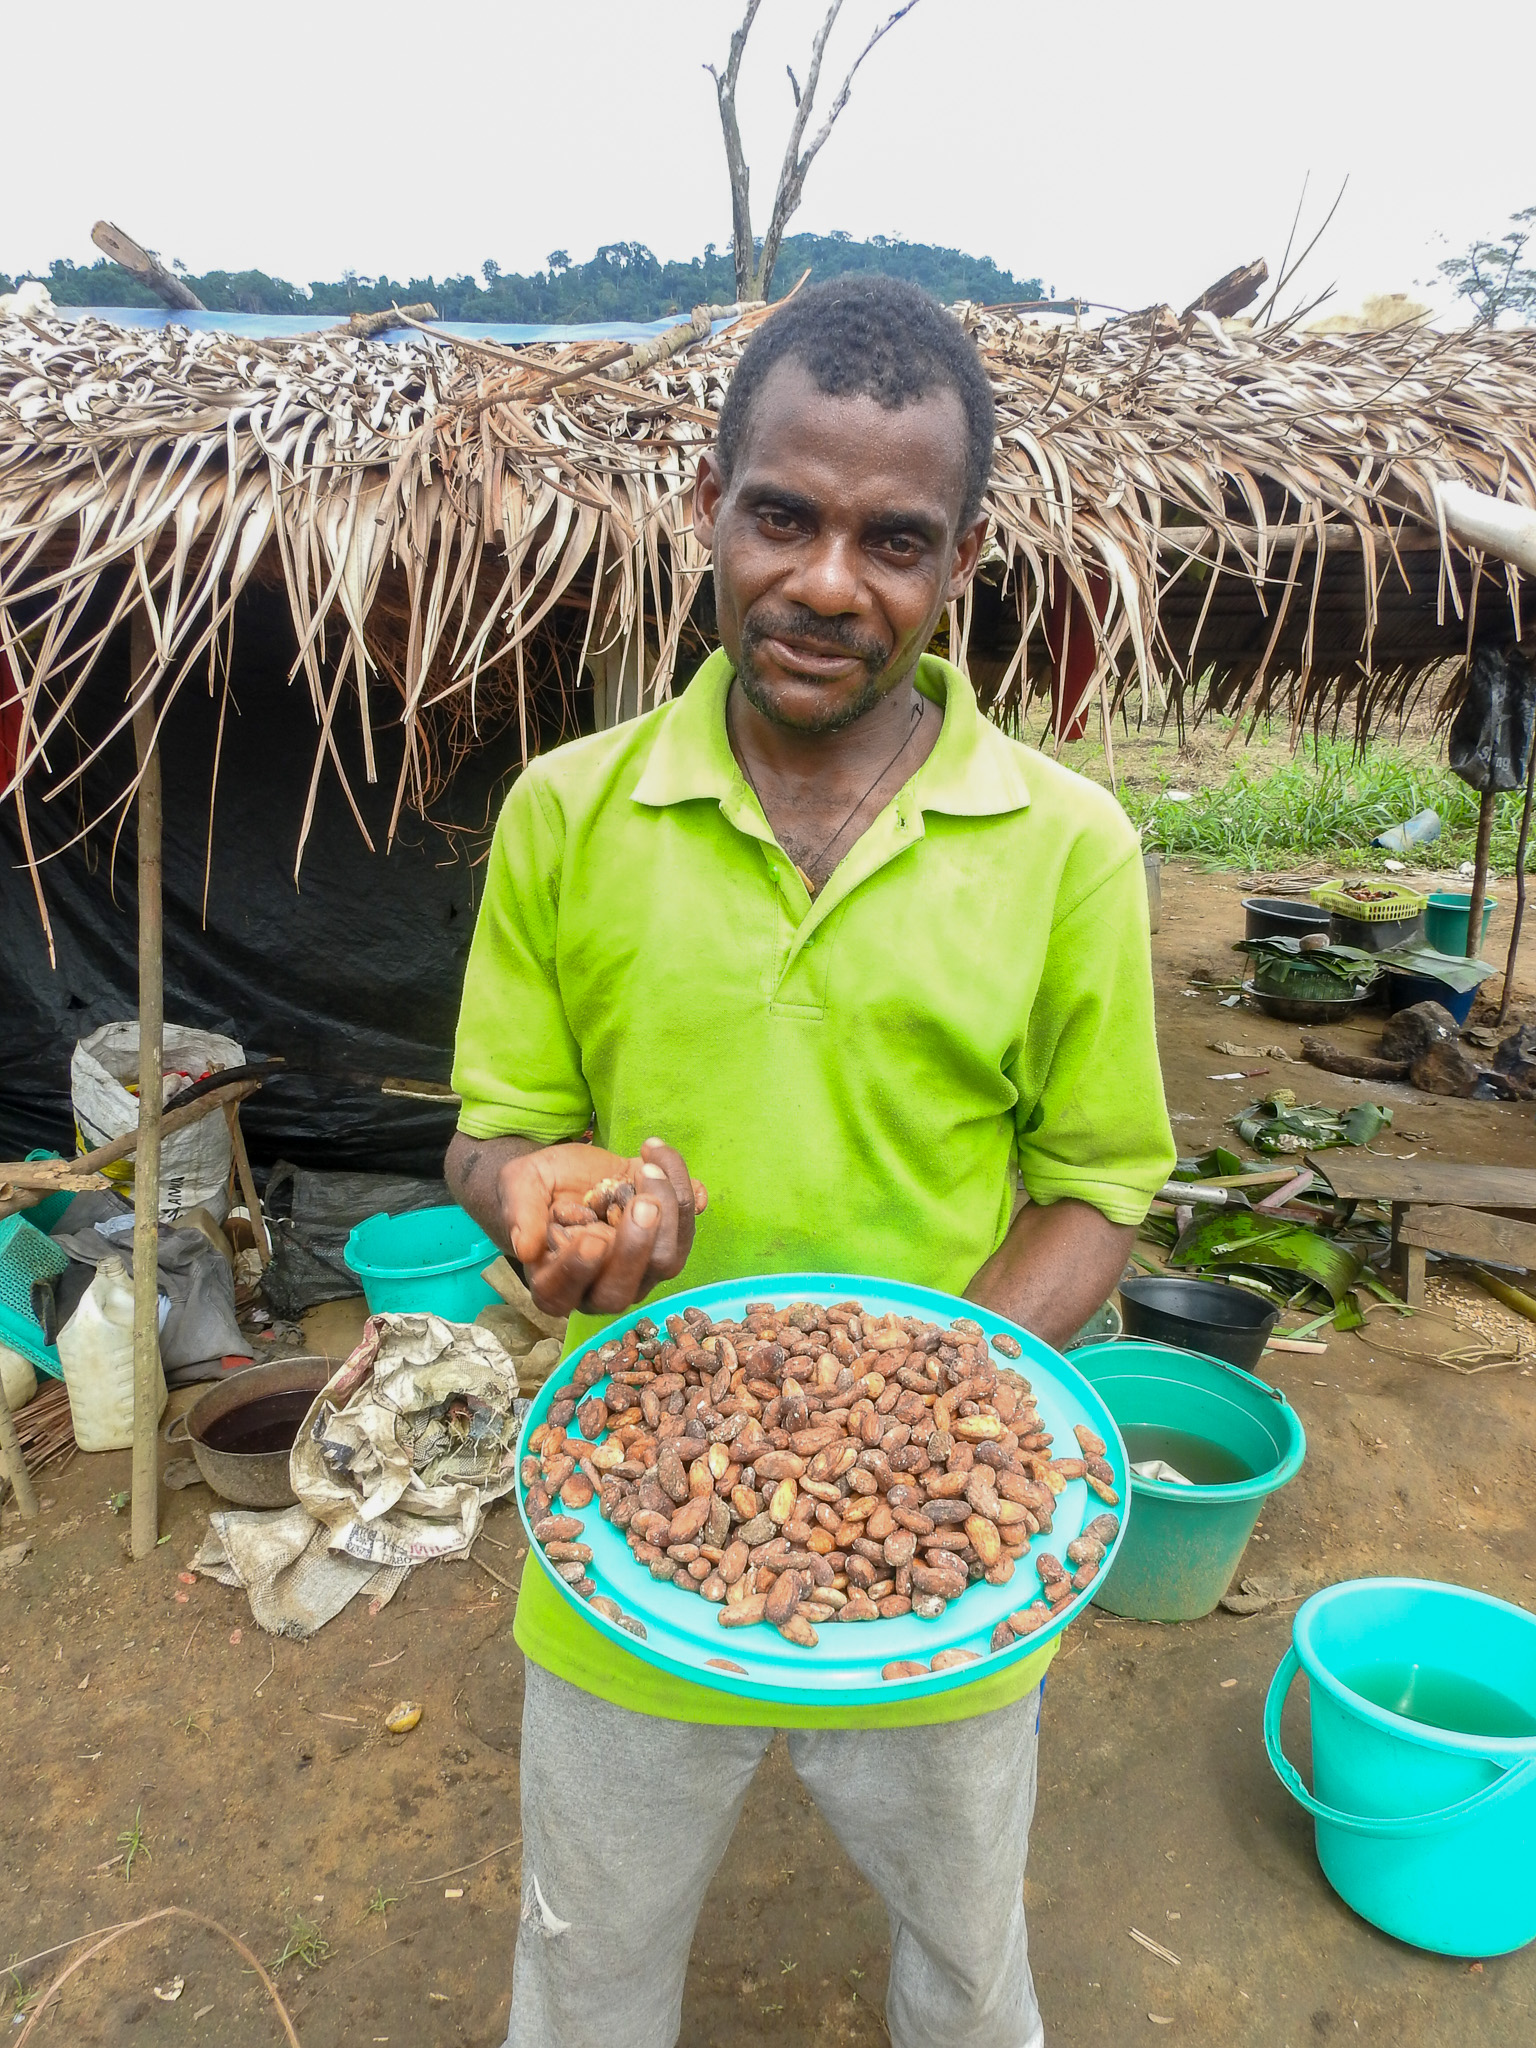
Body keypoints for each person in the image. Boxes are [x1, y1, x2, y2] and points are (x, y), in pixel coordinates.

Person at [447, 275, 1176, 2048]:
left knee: (967, 1955)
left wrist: (944, 1388)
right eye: (784, 515)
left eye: (892, 540)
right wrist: (544, 1201)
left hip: (948, 1588)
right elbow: (496, 1131)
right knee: (587, 1960)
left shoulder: (1067, 846)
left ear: (959, 562)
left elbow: (1099, 1180)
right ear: (712, 508)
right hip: (624, 1523)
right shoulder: (569, 808)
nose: (829, 582)